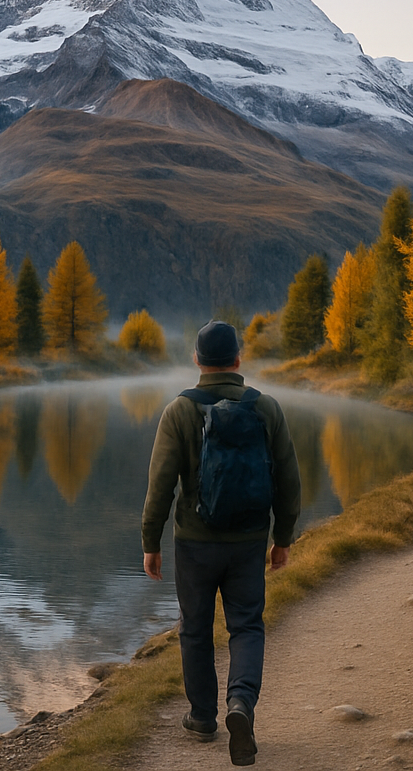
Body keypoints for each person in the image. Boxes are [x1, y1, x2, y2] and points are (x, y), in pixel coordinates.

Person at [141, 320, 301, 767]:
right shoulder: (265, 408)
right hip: (249, 540)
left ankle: (201, 718)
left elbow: (160, 486)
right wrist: (283, 538)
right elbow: (288, 480)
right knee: (246, 626)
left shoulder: (179, 410)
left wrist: (150, 540)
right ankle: (241, 705)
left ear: (196, 360)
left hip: (194, 543)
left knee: (195, 628)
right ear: (238, 358)